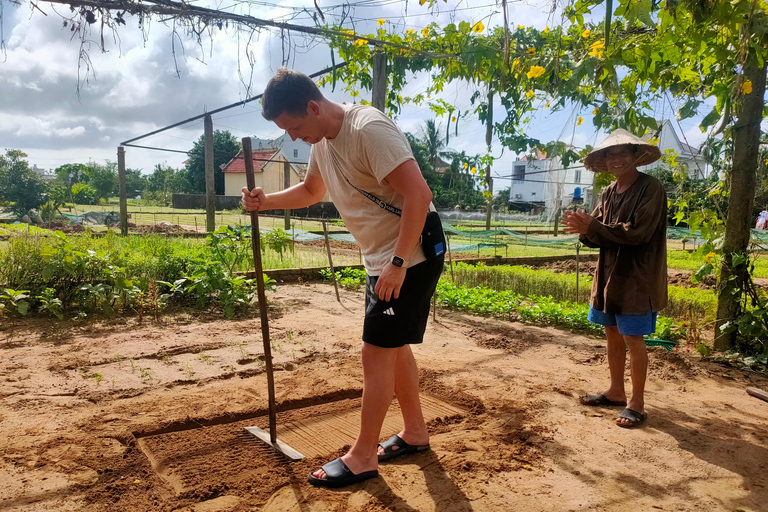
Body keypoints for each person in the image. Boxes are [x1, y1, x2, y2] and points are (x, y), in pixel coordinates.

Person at [241, 68, 444, 487]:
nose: (293, 138)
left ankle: (363, 456)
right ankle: (415, 432)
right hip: (384, 258)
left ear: (314, 107)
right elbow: (313, 192)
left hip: (411, 255)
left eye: (294, 127)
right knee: (393, 346)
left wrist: (399, 264)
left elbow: (419, 195)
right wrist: (266, 201)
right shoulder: (323, 140)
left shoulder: (368, 129)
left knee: (375, 354)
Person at [561, 129, 667, 428]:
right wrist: (583, 227)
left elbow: (638, 233)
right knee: (611, 334)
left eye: (623, 152)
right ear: (603, 161)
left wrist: (593, 226)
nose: (616, 159)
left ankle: (637, 403)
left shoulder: (651, 188)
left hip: (638, 277)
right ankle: (616, 391)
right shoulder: (607, 193)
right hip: (609, 276)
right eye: (610, 153)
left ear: (637, 156)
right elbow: (596, 235)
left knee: (633, 338)